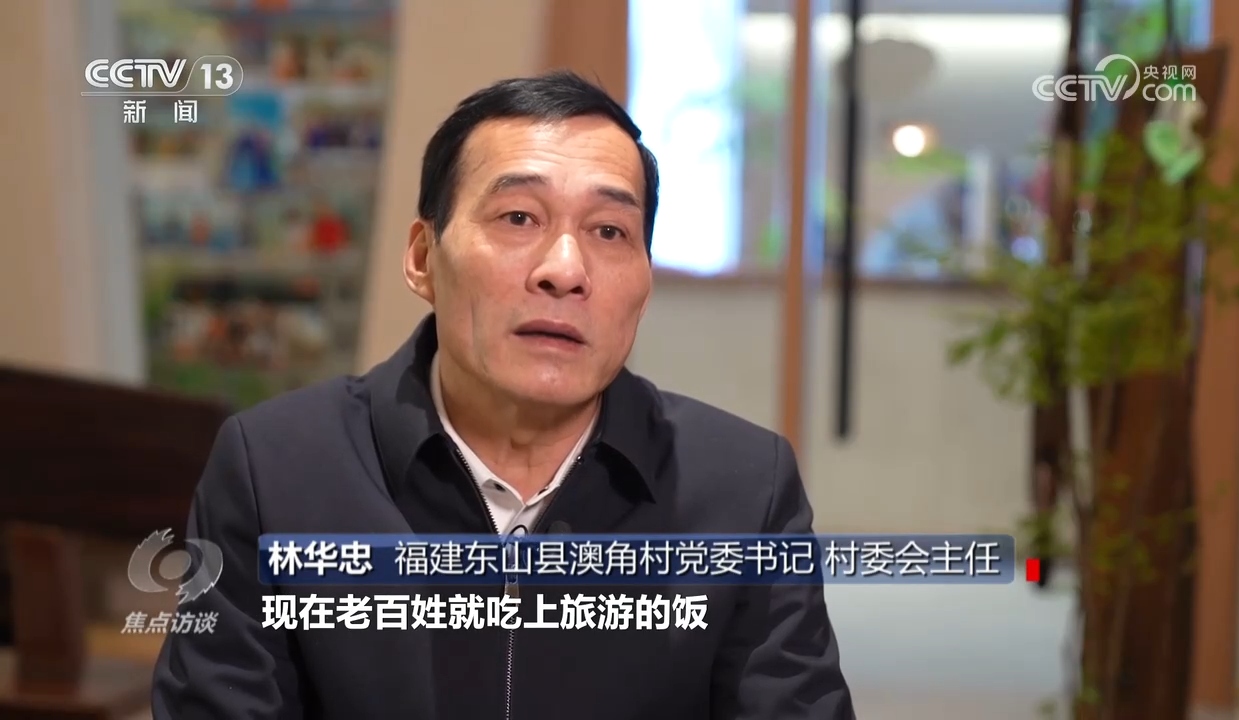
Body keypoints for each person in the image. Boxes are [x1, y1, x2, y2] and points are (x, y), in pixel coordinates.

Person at [152, 71, 855, 720]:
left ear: (645, 280)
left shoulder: (743, 490)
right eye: (519, 218)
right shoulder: (276, 469)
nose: (565, 270)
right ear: (423, 258)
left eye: (609, 231)